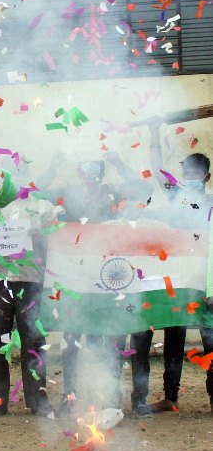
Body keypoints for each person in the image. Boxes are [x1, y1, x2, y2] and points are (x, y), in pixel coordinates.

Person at [37, 150, 152, 415]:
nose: (91, 172)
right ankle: (71, 397)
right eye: (86, 167)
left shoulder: (112, 189)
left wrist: (117, 161)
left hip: (110, 277)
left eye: (96, 167)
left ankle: (111, 398)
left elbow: (144, 189)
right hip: (75, 278)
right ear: (78, 170)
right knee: (72, 335)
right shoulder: (67, 191)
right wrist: (54, 163)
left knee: (112, 337)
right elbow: (35, 192)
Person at [131, 126, 213, 415]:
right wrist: (154, 133)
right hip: (170, 277)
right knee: (144, 334)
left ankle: (177, 395)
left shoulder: (212, 204)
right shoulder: (176, 195)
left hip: (200, 282)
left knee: (194, 339)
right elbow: (156, 168)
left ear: (206, 177)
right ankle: (147, 399)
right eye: (186, 172)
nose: (189, 178)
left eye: (195, 173)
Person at [0, 169, 59, 419]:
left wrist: (38, 229)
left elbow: (56, 235)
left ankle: (38, 399)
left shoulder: (41, 205)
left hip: (30, 280)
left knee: (33, 340)